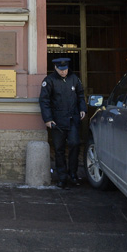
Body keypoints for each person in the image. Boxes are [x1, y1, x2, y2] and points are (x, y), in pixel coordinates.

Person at [39, 57, 87, 189]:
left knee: (75, 144)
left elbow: (80, 95)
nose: (63, 72)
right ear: (55, 68)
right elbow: (44, 101)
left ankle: (73, 173)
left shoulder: (74, 79)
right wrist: (48, 119)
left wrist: (83, 108)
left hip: (72, 119)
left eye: (65, 69)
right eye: (61, 70)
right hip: (57, 121)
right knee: (59, 149)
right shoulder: (49, 81)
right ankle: (62, 177)